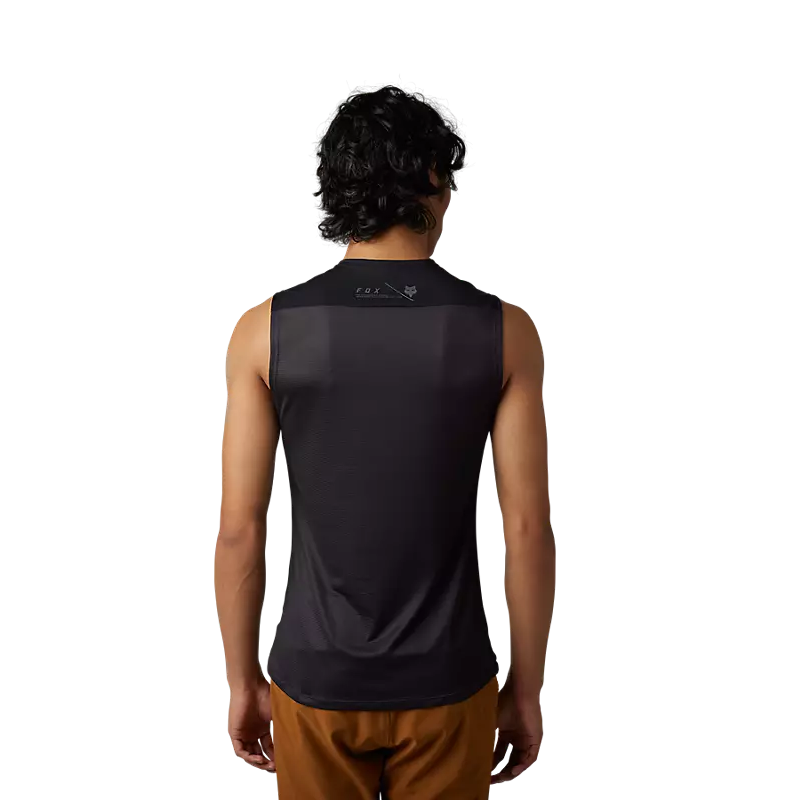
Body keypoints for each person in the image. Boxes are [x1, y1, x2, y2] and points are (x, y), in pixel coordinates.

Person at [214, 74, 556, 799]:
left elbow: (241, 528)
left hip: (316, 678)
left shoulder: (263, 332)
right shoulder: (505, 332)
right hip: (449, 679)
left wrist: (242, 681)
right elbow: (527, 527)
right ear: (434, 178)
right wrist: (527, 688)